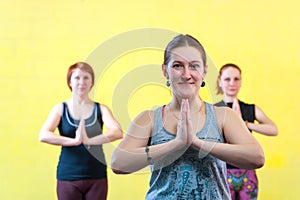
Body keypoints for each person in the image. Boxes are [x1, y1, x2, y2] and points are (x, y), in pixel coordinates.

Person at [111, 34, 265, 199]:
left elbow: (256, 157)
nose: (186, 74)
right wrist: (176, 143)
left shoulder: (224, 116)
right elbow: (118, 163)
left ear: (204, 71)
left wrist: (197, 143)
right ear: (165, 71)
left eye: (194, 66)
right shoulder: (148, 119)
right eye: (178, 66)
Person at [39, 62, 123, 200]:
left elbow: (117, 132)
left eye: (86, 78)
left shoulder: (101, 109)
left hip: (96, 175)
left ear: (92, 83)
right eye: (77, 78)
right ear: (70, 82)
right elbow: (43, 135)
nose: (81, 82)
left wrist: (89, 140)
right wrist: (73, 141)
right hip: (68, 176)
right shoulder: (60, 109)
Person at [215, 63, 278, 199]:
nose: (232, 83)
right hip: (222, 172)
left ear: (241, 81)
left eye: (236, 79)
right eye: (227, 79)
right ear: (220, 81)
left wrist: (245, 124)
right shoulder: (214, 110)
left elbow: (273, 129)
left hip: (247, 172)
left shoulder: (250, 109)